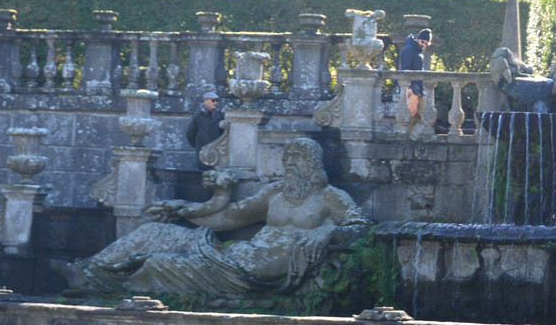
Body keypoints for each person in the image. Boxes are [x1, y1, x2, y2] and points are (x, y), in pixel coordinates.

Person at [52, 137, 369, 296]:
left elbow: (360, 227)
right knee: (155, 232)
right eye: (288, 159)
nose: (291, 165)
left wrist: (325, 233)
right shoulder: (275, 192)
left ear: (314, 163)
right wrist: (185, 210)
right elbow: (229, 219)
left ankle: (103, 283)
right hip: (237, 256)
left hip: (258, 272)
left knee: (157, 262)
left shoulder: (331, 198)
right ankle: (87, 271)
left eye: (298, 159)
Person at [398, 28, 432, 120]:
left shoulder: (418, 51)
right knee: (410, 116)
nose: (424, 45)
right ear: (417, 39)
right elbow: (404, 69)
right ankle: (407, 133)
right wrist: (408, 89)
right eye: (422, 42)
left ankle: (413, 133)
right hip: (411, 89)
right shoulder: (409, 49)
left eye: (426, 43)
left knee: (420, 114)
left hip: (418, 88)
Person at [185, 91, 225, 169]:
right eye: (213, 100)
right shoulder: (198, 115)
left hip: (217, 151)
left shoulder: (220, 115)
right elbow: (190, 132)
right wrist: (198, 144)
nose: (215, 103)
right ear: (206, 101)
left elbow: (223, 132)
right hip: (202, 150)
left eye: (216, 101)